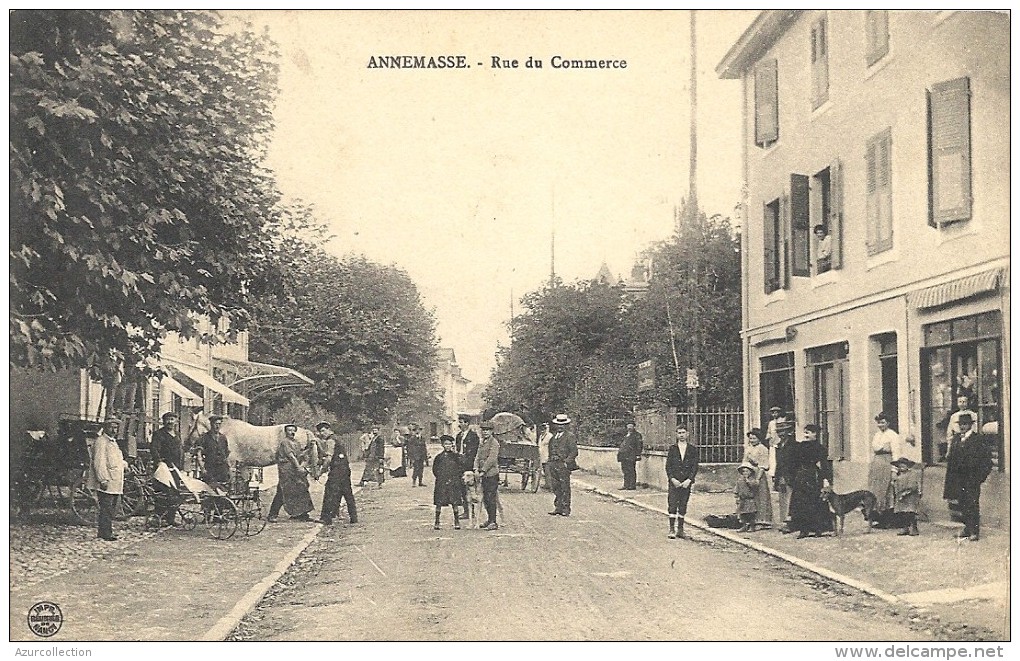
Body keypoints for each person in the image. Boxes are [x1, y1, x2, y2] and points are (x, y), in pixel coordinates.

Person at [943, 414, 992, 541]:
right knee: (962, 504)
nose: (962, 427)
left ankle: (974, 531)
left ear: (971, 425)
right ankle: (967, 527)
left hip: (971, 479)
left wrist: (979, 478)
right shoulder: (956, 439)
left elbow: (987, 461)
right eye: (960, 424)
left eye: (965, 424)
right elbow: (952, 461)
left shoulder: (978, 440)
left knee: (972, 504)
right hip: (958, 480)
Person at [788, 424, 833, 539]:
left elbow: (824, 465)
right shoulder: (800, 446)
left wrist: (827, 480)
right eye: (805, 432)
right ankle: (803, 529)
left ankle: (818, 528)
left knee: (815, 501)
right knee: (801, 502)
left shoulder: (820, 448)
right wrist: (793, 476)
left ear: (816, 434)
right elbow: (794, 462)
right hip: (801, 475)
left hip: (814, 475)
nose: (806, 434)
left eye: (809, 432)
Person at [87, 418, 129, 541]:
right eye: (111, 427)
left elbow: (115, 460)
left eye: (116, 427)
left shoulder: (113, 442)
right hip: (107, 480)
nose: (113, 429)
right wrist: (103, 479)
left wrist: (125, 464)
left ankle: (106, 530)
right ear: (105, 427)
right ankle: (105, 533)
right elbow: (99, 462)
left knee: (111, 508)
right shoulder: (101, 442)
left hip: (115, 480)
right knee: (106, 508)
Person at [268, 424, 314, 522]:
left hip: (295, 470)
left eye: (293, 430)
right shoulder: (285, 442)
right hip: (287, 470)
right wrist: (299, 468)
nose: (292, 432)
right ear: (286, 432)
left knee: (301, 488)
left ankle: (301, 513)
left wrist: (308, 450)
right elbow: (291, 456)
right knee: (283, 490)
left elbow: (299, 455)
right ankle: (272, 514)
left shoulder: (296, 443)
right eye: (289, 430)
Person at [318, 422, 357, 525]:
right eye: (320, 431)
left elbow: (329, 458)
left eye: (323, 430)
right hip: (345, 469)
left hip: (336, 471)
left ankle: (326, 518)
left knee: (330, 492)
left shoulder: (330, 441)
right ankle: (354, 517)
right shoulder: (338, 439)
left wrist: (321, 471)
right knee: (347, 493)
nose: (322, 433)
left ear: (328, 429)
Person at [150, 412, 185, 526]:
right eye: (168, 419)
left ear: (176, 421)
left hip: (175, 468)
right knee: (163, 493)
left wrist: (181, 466)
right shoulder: (159, 434)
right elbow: (154, 449)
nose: (170, 422)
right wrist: (159, 462)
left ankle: (171, 518)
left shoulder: (177, 434)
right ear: (164, 421)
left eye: (172, 419)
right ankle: (159, 518)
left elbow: (180, 451)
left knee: (175, 492)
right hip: (163, 468)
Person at [665, 426, 699, 539]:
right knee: (673, 504)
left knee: (683, 504)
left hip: (686, 482)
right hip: (674, 482)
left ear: (687, 434)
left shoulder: (692, 449)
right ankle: (671, 529)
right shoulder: (672, 449)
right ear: (676, 434)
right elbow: (668, 466)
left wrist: (689, 480)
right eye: (679, 433)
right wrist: (672, 479)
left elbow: (694, 466)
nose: (681, 435)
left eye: (683, 433)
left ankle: (680, 529)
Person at [547, 413, 578, 517]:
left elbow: (574, 451)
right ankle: (558, 507)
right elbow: (550, 449)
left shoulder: (570, 436)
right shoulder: (554, 436)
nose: (560, 426)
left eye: (563, 424)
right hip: (553, 463)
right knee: (555, 486)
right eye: (558, 424)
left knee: (564, 486)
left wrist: (566, 462)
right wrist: (550, 460)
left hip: (562, 464)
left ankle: (566, 508)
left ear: (566, 425)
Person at [869, 412, 900, 516]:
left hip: (887, 463)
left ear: (888, 423)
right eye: (879, 423)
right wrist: (882, 448)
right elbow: (874, 448)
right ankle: (877, 516)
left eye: (883, 422)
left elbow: (896, 453)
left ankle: (887, 517)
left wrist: (894, 470)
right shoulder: (876, 435)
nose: (880, 425)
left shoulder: (893, 435)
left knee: (887, 490)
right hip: (877, 464)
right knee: (875, 489)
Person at [432, 435, 465, 530]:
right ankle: (437, 521)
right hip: (441, 483)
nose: (448, 446)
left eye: (450, 444)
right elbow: (435, 470)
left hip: (453, 483)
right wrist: (441, 478)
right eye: (446, 444)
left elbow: (460, 468)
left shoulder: (456, 457)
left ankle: (456, 521)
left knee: (454, 502)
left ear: (452, 445)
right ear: (442, 445)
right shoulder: (439, 457)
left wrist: (455, 478)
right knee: (439, 502)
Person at [473, 421, 501, 530]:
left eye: (487, 430)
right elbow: (477, 456)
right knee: (486, 499)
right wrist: (475, 468)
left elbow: (491, 459)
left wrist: (483, 470)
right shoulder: (482, 442)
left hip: (491, 474)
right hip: (482, 474)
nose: (485, 432)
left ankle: (493, 522)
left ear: (491, 431)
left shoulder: (494, 443)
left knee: (491, 498)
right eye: (483, 430)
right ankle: (489, 520)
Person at [744, 428, 773, 530]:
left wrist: (758, 478)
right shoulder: (748, 448)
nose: (752, 440)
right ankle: (750, 520)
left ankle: (762, 521)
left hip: (758, 473)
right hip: (749, 473)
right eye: (750, 438)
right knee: (750, 497)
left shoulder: (763, 449)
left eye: (754, 438)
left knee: (761, 497)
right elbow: (745, 461)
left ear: (759, 439)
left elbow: (763, 465)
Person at [196, 415, 231, 488]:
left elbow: (226, 453)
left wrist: (228, 468)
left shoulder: (223, 438)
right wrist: (202, 468)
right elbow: (199, 455)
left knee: (223, 489)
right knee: (210, 489)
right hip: (210, 468)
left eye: (219, 424)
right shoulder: (204, 437)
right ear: (211, 424)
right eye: (216, 424)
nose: (217, 426)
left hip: (222, 469)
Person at [455, 416, 479, 516]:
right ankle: (466, 510)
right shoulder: (458, 436)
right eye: (459, 422)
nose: (459, 425)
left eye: (461, 422)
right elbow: (457, 449)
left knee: (470, 487)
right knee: (461, 487)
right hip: (459, 464)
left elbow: (474, 451)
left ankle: (472, 510)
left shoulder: (473, 436)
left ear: (467, 423)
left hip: (468, 464)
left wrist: (466, 459)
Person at [891, 458, 921, 536]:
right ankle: (905, 528)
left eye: (904, 464)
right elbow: (895, 485)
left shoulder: (912, 474)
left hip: (910, 496)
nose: (902, 466)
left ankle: (914, 528)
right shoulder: (898, 475)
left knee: (910, 513)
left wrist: (905, 493)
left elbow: (913, 486)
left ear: (908, 465)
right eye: (900, 465)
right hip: (900, 497)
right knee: (901, 513)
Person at [944, 395, 976, 462]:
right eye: (960, 402)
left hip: (969, 440)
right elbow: (949, 433)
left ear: (967, 403)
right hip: (957, 440)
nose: (962, 404)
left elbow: (975, 428)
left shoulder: (973, 415)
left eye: (964, 402)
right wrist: (948, 450)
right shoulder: (954, 416)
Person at [617, 420, 643, 490]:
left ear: (634, 427)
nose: (629, 427)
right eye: (628, 426)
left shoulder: (637, 435)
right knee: (625, 470)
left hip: (631, 455)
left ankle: (632, 485)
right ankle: (626, 485)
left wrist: (638, 454)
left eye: (631, 426)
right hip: (624, 455)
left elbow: (639, 445)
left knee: (631, 470)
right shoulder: (625, 435)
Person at [735, 463, 759, 533]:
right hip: (742, 499)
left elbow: (755, 486)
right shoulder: (739, 480)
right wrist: (736, 496)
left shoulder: (753, 480)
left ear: (750, 472)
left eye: (747, 471)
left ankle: (752, 526)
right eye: (743, 471)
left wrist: (749, 482)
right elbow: (737, 489)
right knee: (742, 514)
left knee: (751, 514)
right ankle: (744, 526)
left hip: (750, 499)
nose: (745, 473)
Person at [537, 421, 553, 491]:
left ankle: (550, 486)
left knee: (548, 471)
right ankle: (547, 484)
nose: (542, 430)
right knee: (544, 470)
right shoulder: (541, 436)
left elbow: (552, 446)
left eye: (544, 428)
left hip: (547, 454)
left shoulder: (550, 436)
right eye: (541, 429)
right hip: (542, 455)